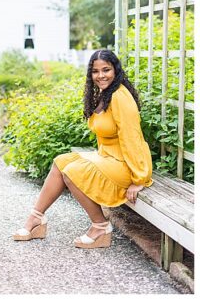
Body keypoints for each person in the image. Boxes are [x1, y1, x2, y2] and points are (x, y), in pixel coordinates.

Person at [14, 49, 151, 248]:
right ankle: (36, 219)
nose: (101, 75)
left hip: (127, 166)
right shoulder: (106, 94)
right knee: (61, 162)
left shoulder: (120, 96)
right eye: (96, 71)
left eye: (106, 70)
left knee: (72, 172)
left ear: (116, 71)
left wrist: (139, 179)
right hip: (109, 157)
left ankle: (100, 226)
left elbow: (132, 138)